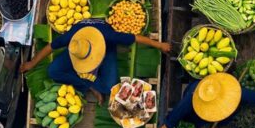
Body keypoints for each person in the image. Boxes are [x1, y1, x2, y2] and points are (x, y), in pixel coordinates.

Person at [20, 19, 170, 104]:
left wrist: (160, 45)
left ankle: (91, 84)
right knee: (53, 71)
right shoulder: (72, 39)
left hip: (105, 48)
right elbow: (50, 47)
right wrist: (31, 64)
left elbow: (135, 38)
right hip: (79, 48)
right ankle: (90, 86)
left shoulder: (109, 36)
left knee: (109, 87)